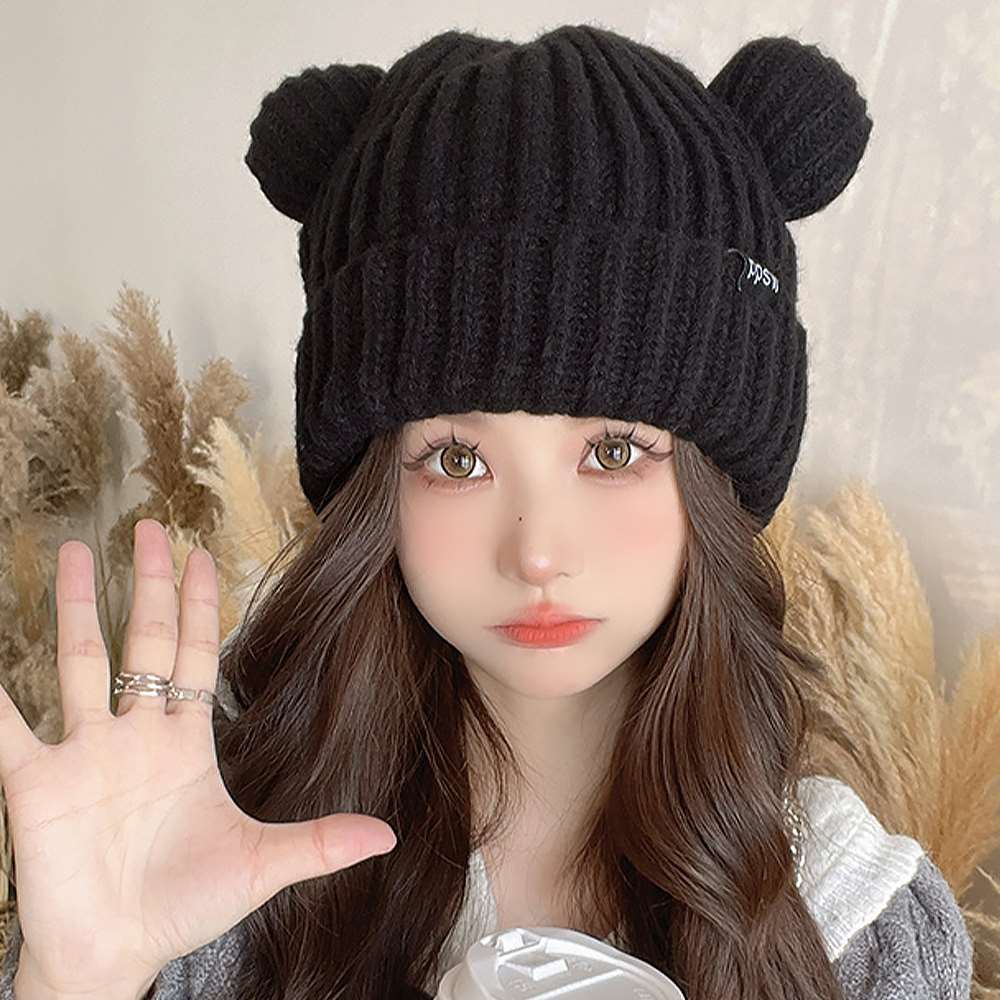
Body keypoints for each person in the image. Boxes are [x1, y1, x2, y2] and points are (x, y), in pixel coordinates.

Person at [0, 21, 974, 1000]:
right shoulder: (213, 857)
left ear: (716, 483)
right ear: (376, 490)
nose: (537, 552)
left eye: (614, 451)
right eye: (458, 460)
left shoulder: (849, 924)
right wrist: (75, 976)